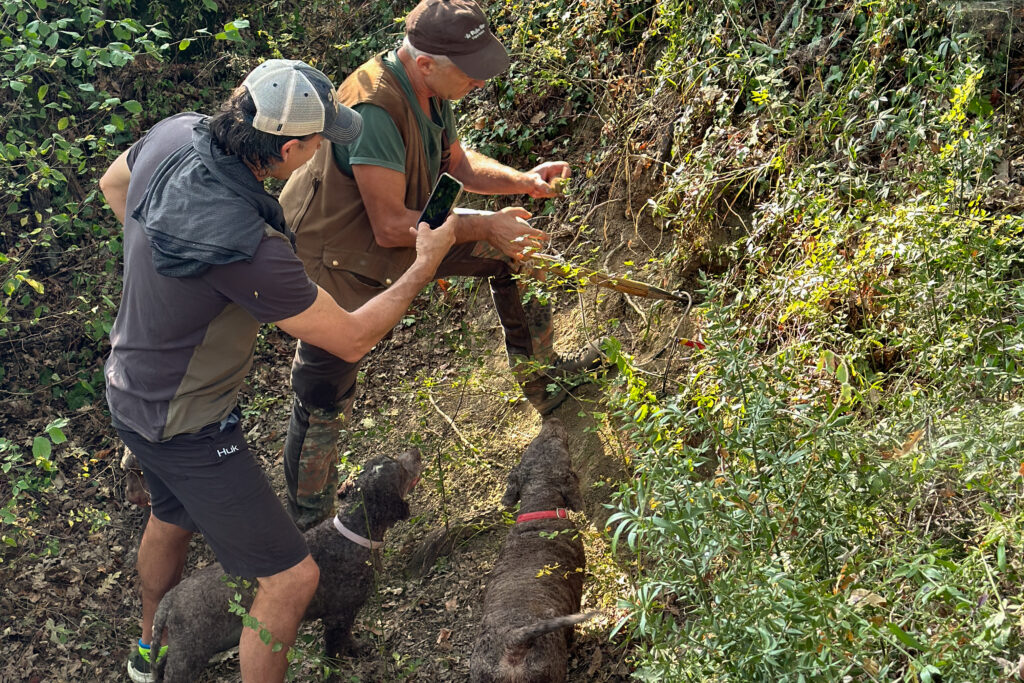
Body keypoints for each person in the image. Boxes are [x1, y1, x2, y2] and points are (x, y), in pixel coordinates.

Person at [99, 59, 455, 683]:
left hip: (127, 384)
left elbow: (113, 185)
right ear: (288, 149)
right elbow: (350, 338)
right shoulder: (249, 246)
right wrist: (424, 264)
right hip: (187, 425)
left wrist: (164, 264)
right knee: (292, 577)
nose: (324, 151)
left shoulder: (176, 134)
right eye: (321, 142)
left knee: (172, 515)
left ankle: (148, 649)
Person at [277, 0, 605, 529]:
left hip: (416, 229)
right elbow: (388, 226)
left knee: (516, 252)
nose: (477, 81)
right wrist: (480, 223)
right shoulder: (375, 109)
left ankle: (546, 381)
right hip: (339, 259)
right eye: (469, 70)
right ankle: (310, 528)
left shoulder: (429, 88)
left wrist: (522, 180)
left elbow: (456, 164)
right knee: (323, 390)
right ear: (425, 61)